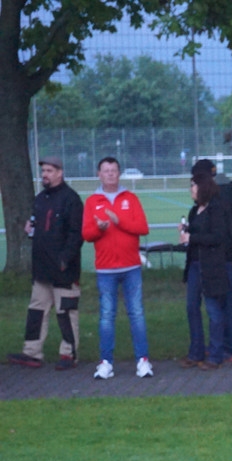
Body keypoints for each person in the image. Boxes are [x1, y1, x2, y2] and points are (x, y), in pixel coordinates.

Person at [7, 156, 84, 371]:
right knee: (36, 310)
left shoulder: (71, 199)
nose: (45, 175)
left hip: (63, 270)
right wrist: (29, 230)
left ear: (60, 172)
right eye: (43, 171)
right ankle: (32, 352)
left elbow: (76, 235)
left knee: (66, 312)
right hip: (41, 269)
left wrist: (64, 260)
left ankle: (69, 354)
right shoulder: (40, 199)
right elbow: (36, 227)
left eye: (49, 171)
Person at [81, 157, 153, 379]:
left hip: (131, 266)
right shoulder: (92, 201)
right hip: (105, 269)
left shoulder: (130, 198)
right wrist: (100, 228)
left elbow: (142, 227)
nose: (110, 174)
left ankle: (143, 360)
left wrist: (119, 220)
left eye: (114, 170)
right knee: (106, 316)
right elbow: (87, 234)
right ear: (99, 174)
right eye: (106, 170)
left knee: (137, 314)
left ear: (119, 174)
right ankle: (106, 363)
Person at [179, 171, 232, 370]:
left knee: (213, 310)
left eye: (193, 185)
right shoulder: (195, 211)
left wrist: (193, 238)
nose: (191, 190)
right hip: (194, 265)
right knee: (192, 308)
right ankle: (196, 351)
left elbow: (218, 237)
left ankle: (216, 354)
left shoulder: (216, 210)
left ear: (203, 187)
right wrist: (185, 234)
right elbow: (195, 235)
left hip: (211, 267)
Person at [191, 159, 232, 363]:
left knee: (223, 304)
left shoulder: (217, 200)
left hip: (224, 258)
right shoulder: (223, 194)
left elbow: (221, 234)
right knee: (226, 303)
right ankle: (228, 346)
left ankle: (228, 348)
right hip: (229, 256)